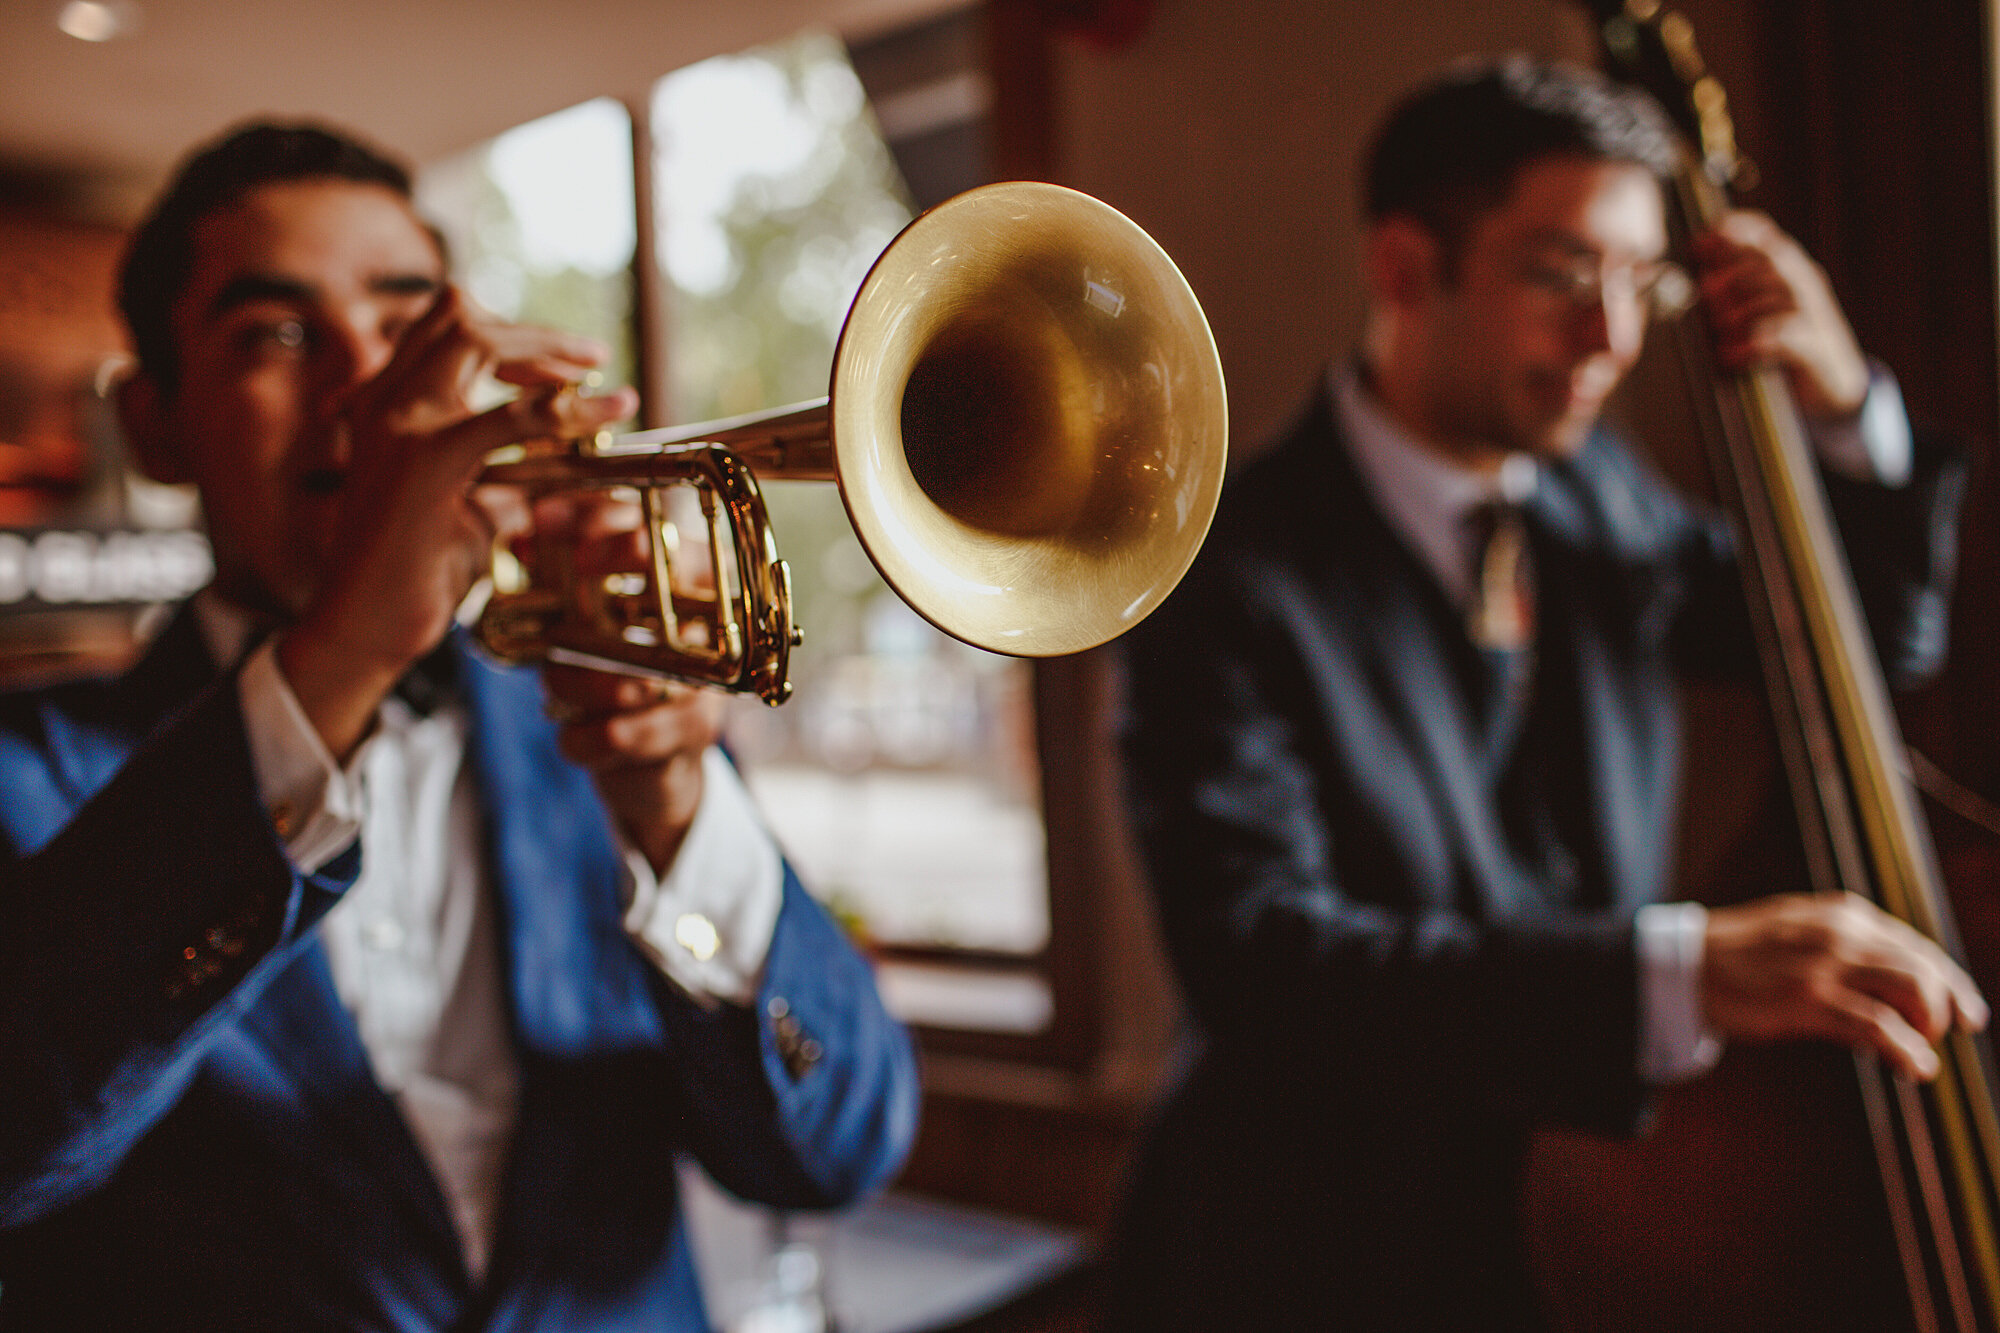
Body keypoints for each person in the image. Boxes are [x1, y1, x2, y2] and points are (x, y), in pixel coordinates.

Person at [1109, 56, 1984, 1331]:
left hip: (1588, 1231)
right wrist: (1679, 974)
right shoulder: (1220, 572)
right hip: (1307, 1256)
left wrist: (1842, 406)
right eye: (1562, 273)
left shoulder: (1597, 497)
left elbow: (1855, 651)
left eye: (1641, 283)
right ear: (1404, 268)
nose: (1613, 337)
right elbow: (1260, 963)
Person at [0, 121, 917, 1330]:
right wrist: (343, 653)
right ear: (156, 424)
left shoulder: (596, 719)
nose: (365, 384)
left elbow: (838, 1152)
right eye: (275, 334)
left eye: (408, 321)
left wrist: (681, 823)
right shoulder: (32, 769)